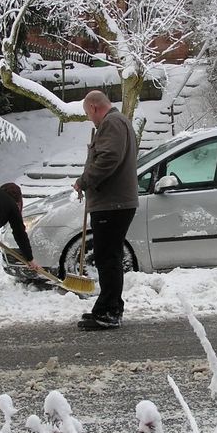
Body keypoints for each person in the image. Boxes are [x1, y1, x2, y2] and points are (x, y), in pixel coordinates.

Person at [73, 90, 139, 330]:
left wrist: (85, 180)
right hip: (116, 202)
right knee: (107, 256)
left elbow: (109, 158)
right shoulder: (119, 122)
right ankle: (107, 308)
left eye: (88, 114)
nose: (91, 120)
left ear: (93, 107)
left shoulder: (111, 123)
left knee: (107, 258)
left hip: (113, 203)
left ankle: (109, 311)